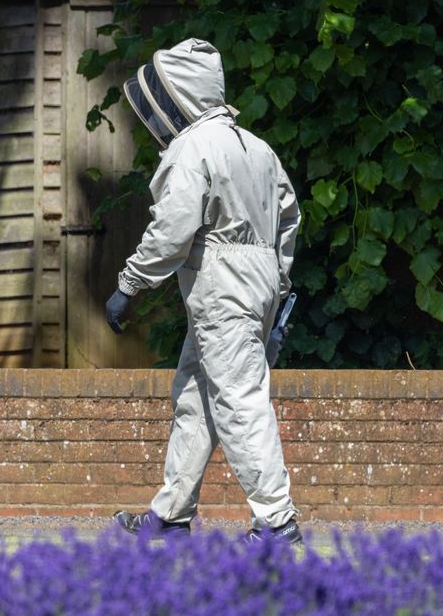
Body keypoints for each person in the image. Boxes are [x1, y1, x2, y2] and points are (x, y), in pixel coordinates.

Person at [105, 38, 303, 544]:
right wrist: (276, 284)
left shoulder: (193, 147)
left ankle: (277, 524)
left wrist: (130, 284)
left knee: (238, 401)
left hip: (221, 287)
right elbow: (288, 219)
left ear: (179, 97)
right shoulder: (258, 147)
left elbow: (172, 230)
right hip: (257, 289)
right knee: (195, 398)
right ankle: (170, 517)